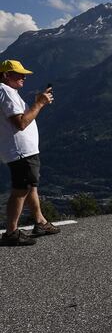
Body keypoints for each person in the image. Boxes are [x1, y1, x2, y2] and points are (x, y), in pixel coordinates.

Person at [0, 59, 59, 246]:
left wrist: (35, 103)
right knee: (21, 189)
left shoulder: (10, 92)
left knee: (30, 186)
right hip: (20, 151)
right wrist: (39, 104)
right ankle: (11, 232)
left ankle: (40, 222)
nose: (24, 77)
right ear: (5, 75)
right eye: (19, 74)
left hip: (25, 151)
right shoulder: (5, 92)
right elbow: (21, 123)